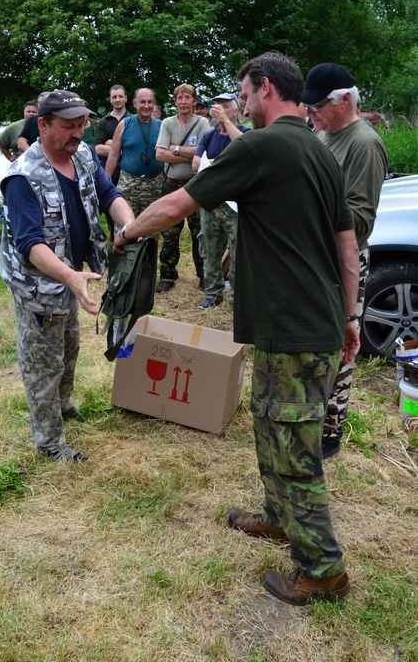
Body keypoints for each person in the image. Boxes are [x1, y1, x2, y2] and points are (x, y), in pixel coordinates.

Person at [114, 52, 360, 606]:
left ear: (265, 88)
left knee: (294, 449)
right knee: (270, 424)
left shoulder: (261, 146)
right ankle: (279, 517)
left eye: (244, 94)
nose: (241, 105)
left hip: (296, 329)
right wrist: (350, 315)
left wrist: (128, 234)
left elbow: (178, 203)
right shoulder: (320, 152)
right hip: (303, 324)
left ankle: (323, 570)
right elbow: (346, 245)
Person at [0, 89, 134, 463]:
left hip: (72, 275)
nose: (78, 133)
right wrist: (70, 277)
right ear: (43, 125)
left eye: (82, 124)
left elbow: (108, 194)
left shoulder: (84, 154)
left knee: (69, 346)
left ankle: (62, 404)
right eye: (68, 126)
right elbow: (30, 244)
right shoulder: (22, 176)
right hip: (39, 284)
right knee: (43, 362)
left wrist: (130, 225)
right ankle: (49, 441)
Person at [302, 63, 388, 459]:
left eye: (318, 106)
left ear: (345, 101)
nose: (312, 113)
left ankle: (330, 430)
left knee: (341, 344)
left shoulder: (364, 144)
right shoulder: (322, 133)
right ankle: (307, 415)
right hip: (315, 255)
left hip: (345, 263)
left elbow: (361, 221)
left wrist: (308, 209)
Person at [155, 83, 209, 293]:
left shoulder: (202, 122)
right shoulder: (167, 123)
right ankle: (167, 274)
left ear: (194, 101)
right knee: (169, 231)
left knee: (199, 231)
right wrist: (190, 154)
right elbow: (160, 154)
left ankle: (203, 274)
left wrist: (175, 149)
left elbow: (204, 153)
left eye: (188, 97)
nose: (184, 101)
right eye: (180, 97)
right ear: (175, 101)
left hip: (195, 183)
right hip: (171, 183)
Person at [192, 94, 244, 308]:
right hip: (211, 202)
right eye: (218, 105)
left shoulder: (246, 133)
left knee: (238, 251)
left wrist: (226, 122)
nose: (220, 109)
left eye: (226, 105)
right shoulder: (208, 136)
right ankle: (213, 293)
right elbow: (196, 164)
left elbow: (245, 147)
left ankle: (239, 297)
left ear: (236, 109)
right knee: (210, 248)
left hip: (235, 204)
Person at [105, 88, 163, 216]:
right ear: (135, 103)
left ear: (154, 104)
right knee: (126, 224)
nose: (146, 106)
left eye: (150, 102)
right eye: (142, 102)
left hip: (155, 186)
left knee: (151, 225)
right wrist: (106, 182)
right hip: (128, 185)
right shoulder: (124, 124)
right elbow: (113, 155)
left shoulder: (161, 126)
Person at [94, 85, 129, 179]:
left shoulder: (133, 120)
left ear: (126, 98)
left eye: (120, 96)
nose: (117, 100)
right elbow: (97, 149)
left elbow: (137, 148)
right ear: (110, 100)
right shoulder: (103, 122)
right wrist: (122, 150)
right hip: (109, 173)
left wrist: (111, 144)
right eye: (114, 97)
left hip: (129, 174)